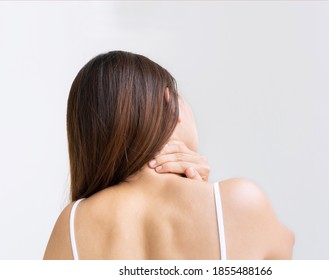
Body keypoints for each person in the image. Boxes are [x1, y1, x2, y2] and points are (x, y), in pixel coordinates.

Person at [44, 51, 294, 260]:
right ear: (170, 103)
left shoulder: (71, 225)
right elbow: (286, 248)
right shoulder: (238, 201)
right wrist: (203, 195)